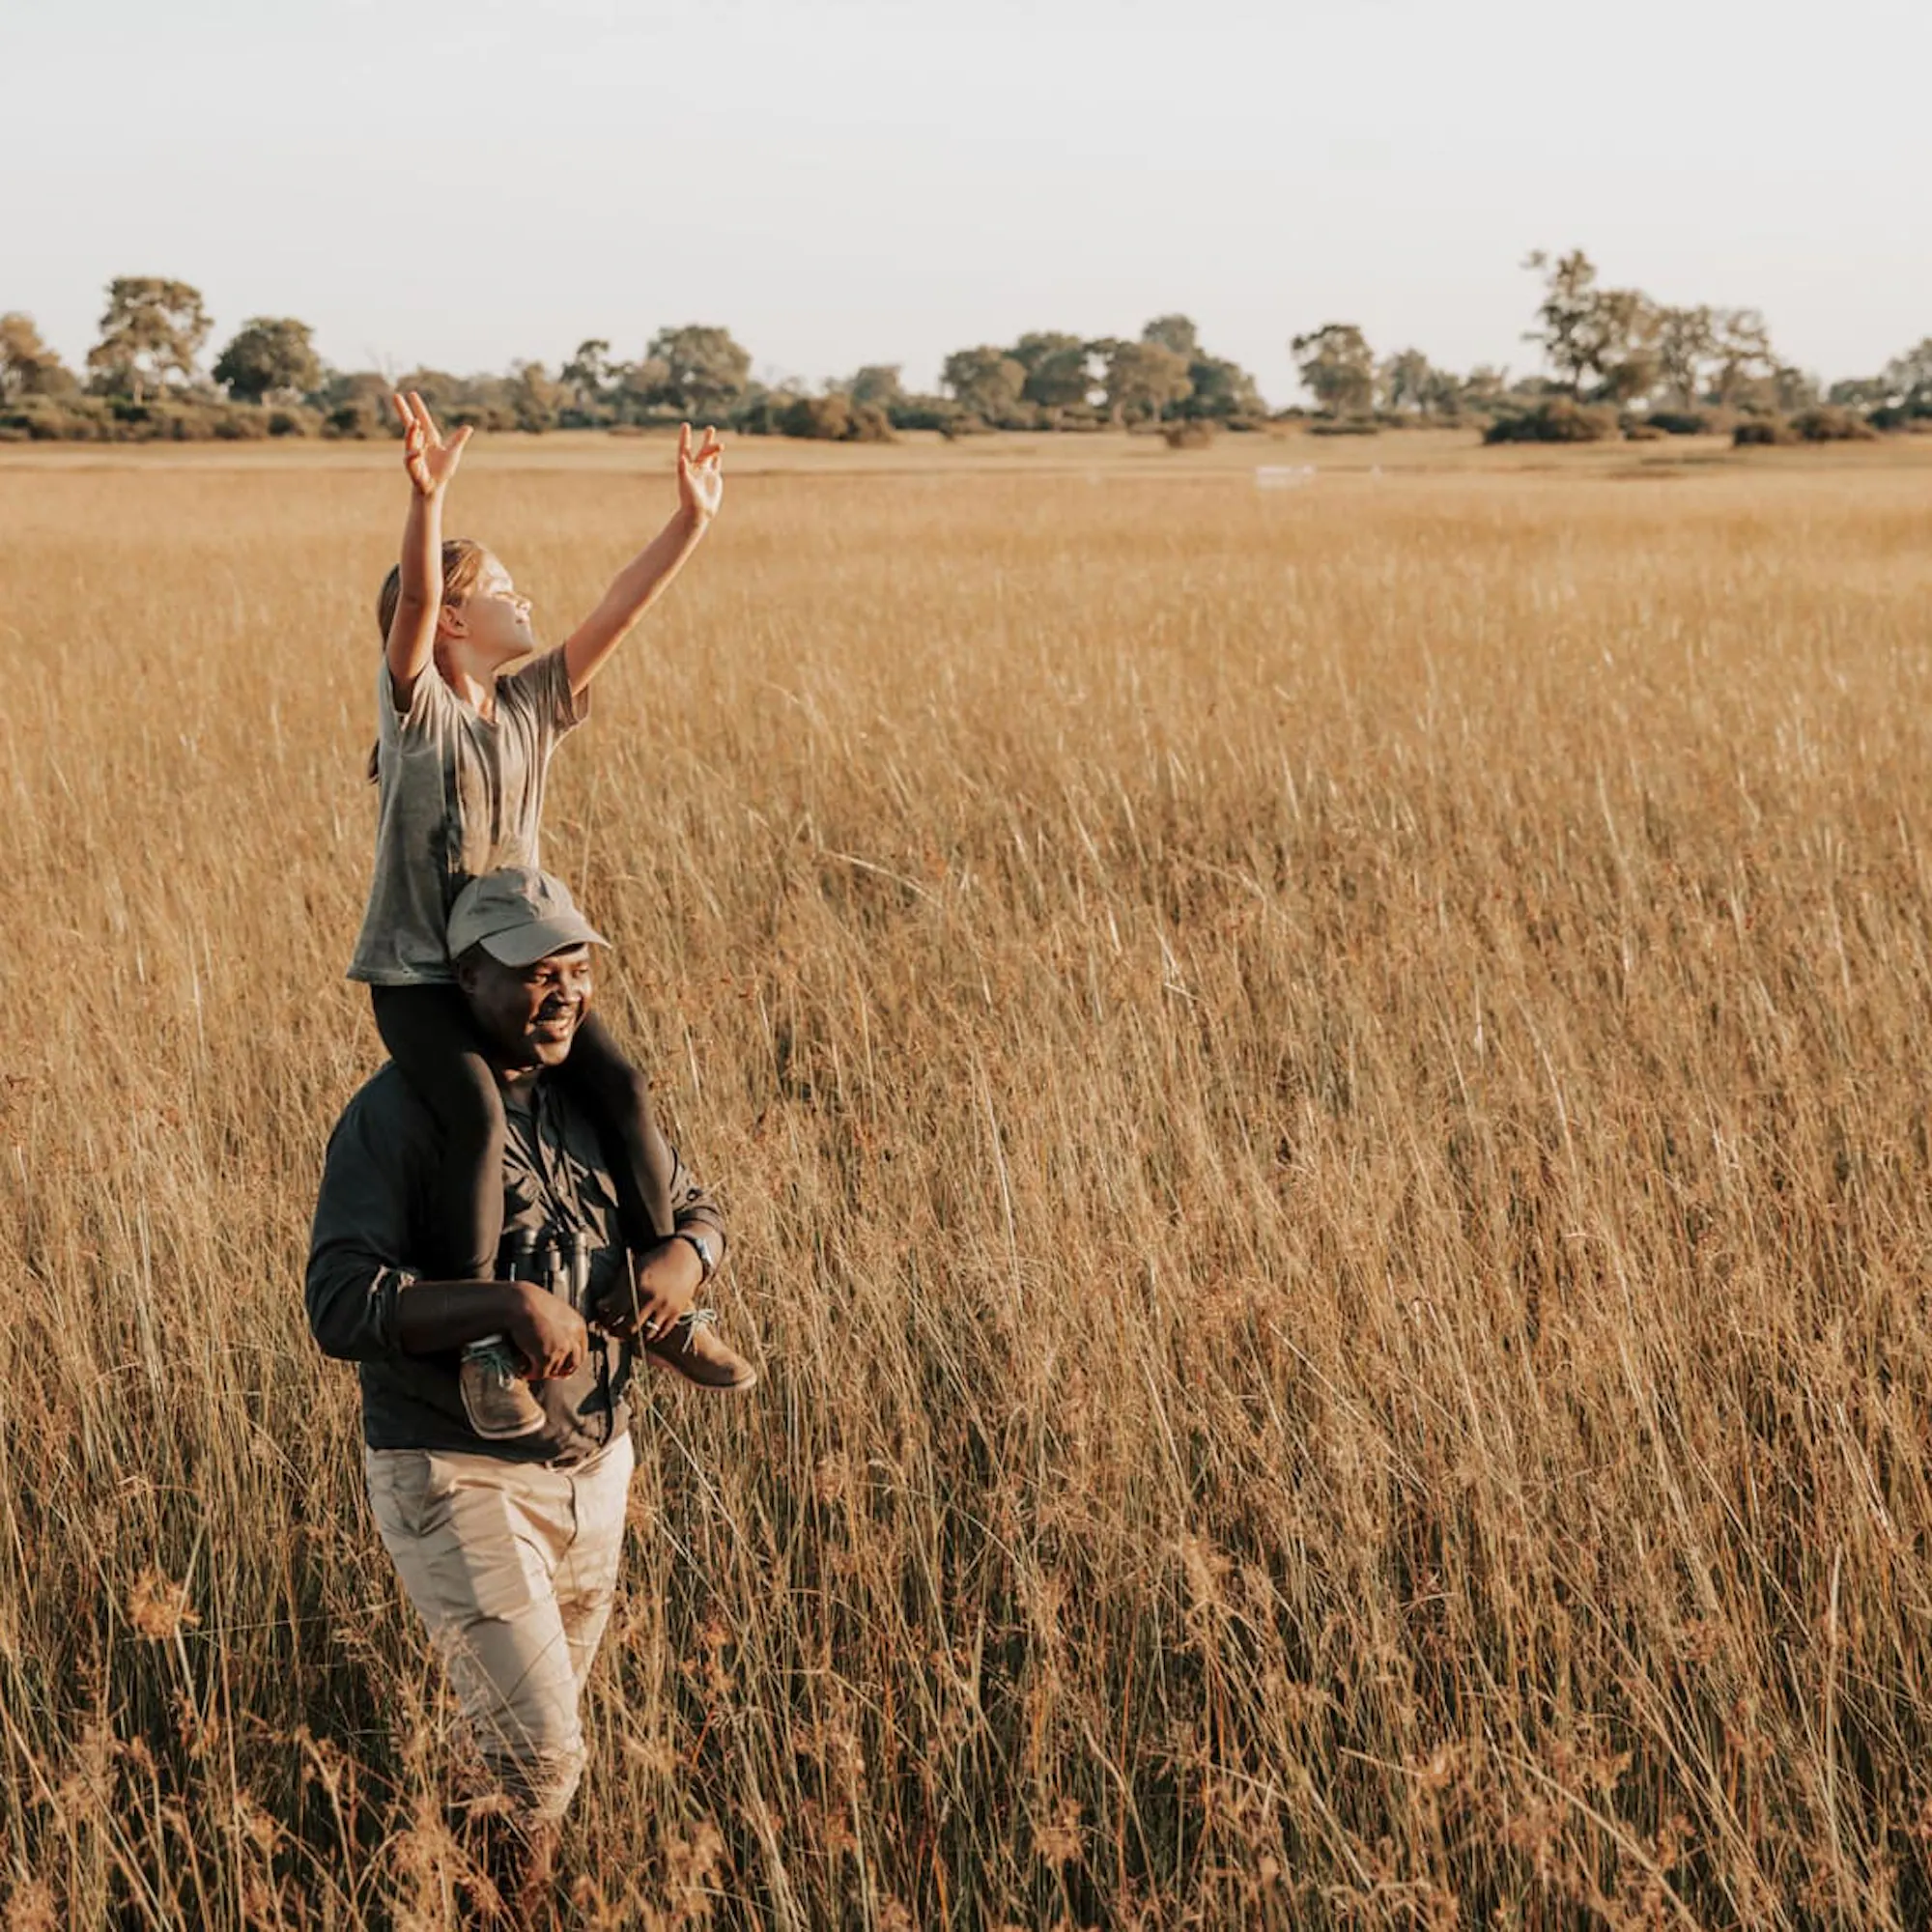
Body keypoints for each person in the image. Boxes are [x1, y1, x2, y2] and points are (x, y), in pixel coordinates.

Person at [307, 866, 740, 1923]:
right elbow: (339, 1300)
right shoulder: (399, 1116)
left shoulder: (587, 1097)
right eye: (533, 974)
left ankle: (458, 1900)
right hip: (454, 1469)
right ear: (464, 979)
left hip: (596, 1463)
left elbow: (694, 1205)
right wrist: (502, 1303)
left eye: (577, 969)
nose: (561, 994)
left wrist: (683, 1260)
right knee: (537, 1744)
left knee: (515, 1751)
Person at [347, 391, 748, 1393]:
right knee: (477, 1117)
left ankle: (667, 1307)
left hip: (521, 969)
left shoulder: (530, 705)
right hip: (423, 976)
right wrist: (427, 498)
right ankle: (483, 1336)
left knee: (622, 1086)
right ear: (454, 620)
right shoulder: (421, 714)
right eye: (503, 591)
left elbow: (617, 607)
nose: (525, 603)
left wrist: (690, 523)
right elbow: (407, 609)